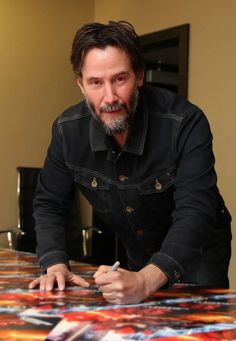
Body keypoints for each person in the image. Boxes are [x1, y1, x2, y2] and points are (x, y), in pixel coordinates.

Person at [29, 21, 231, 305]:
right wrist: (55, 263)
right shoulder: (66, 130)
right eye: (96, 82)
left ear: (139, 75)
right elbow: (49, 202)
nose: (109, 97)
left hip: (198, 253)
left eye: (120, 79)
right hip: (137, 249)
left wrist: (146, 280)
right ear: (81, 84)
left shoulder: (186, 122)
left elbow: (196, 209)